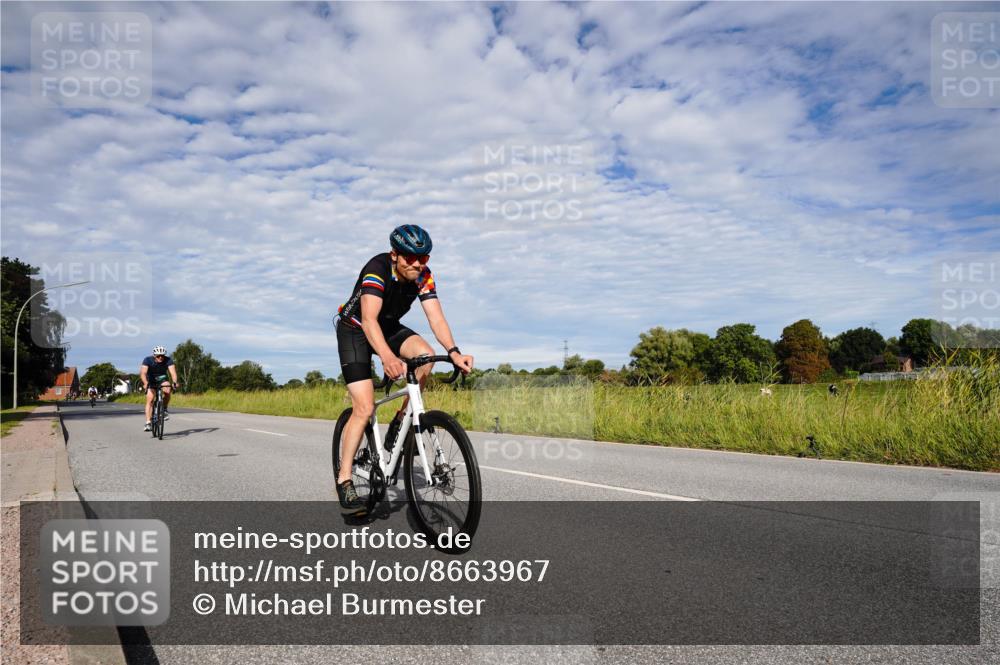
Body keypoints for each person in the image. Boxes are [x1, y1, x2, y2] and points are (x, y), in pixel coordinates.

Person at [334, 225, 473, 515]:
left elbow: (435, 317)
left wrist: (454, 351)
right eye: (410, 257)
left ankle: (400, 421)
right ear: (394, 254)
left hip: (388, 327)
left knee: (426, 356)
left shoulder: (423, 275)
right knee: (364, 406)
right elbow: (370, 320)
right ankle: (345, 478)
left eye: (423, 258)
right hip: (356, 330)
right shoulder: (377, 268)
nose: (416, 264)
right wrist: (386, 356)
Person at [140, 346, 180, 431]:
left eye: (162, 355)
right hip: (151, 381)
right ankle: (148, 423)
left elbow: (173, 373)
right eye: (158, 356)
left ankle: (164, 409)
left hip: (162, 379)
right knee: (150, 400)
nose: (161, 357)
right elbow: (143, 373)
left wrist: (175, 382)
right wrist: (145, 383)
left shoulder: (168, 360)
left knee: (167, 389)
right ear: (154, 355)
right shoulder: (147, 360)